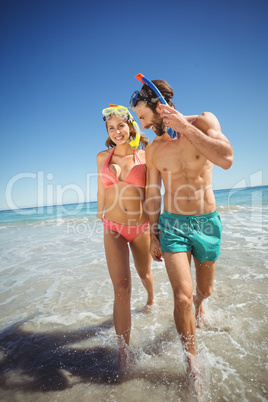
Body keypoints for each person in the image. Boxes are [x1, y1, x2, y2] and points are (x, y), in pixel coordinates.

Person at [129, 80, 233, 379]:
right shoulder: (154, 149)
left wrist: (185, 129)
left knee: (203, 291)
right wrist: (153, 232)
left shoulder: (204, 121)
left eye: (143, 117)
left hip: (206, 222)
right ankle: (192, 365)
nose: (142, 125)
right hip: (172, 225)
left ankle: (201, 306)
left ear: (158, 105)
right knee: (181, 295)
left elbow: (226, 158)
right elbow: (152, 193)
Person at [96, 105, 154, 369]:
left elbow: (154, 196)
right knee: (121, 289)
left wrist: (156, 233)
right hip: (113, 227)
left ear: (130, 126)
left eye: (121, 125)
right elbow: (101, 189)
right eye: (111, 127)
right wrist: (100, 212)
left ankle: (151, 298)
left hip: (140, 226)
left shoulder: (145, 156)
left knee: (144, 274)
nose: (116, 131)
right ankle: (124, 354)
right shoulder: (102, 157)